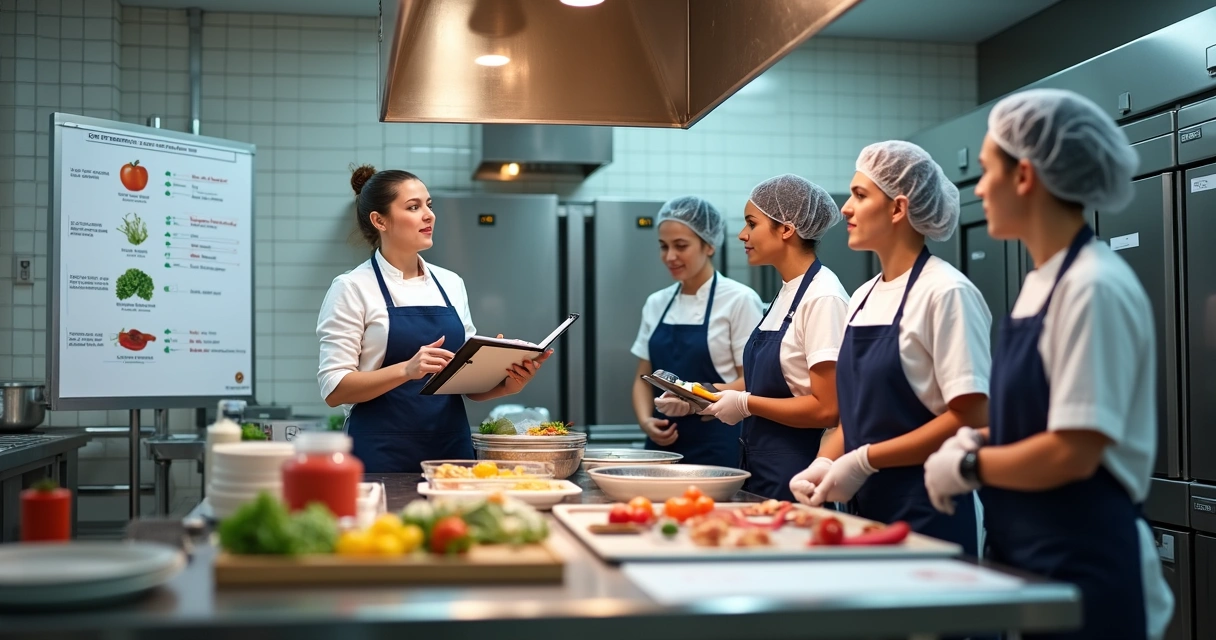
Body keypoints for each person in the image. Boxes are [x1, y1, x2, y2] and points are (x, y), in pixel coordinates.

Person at [923, 88, 1173, 639]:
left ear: (1025, 176)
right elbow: (1045, 419)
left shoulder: (1092, 286)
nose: (979, 187)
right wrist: (982, 440)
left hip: (1086, 562)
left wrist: (971, 467)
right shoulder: (1042, 282)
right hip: (1031, 551)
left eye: (987, 170)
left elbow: (1074, 449)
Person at [796, 141, 991, 557]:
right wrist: (825, 463)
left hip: (926, 507)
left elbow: (970, 415)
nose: (845, 209)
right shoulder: (864, 295)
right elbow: (858, 414)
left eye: (860, 195)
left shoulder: (946, 292)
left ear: (898, 209)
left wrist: (865, 460)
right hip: (863, 508)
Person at [316, 165, 549, 472]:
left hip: (451, 452)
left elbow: (464, 382)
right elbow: (334, 389)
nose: (428, 215)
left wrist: (505, 382)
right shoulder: (352, 287)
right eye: (414, 207)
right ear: (379, 220)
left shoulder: (450, 283)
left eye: (429, 205)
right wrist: (406, 370)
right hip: (381, 454)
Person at [687, 175, 848, 500]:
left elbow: (827, 408)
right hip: (758, 466)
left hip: (798, 472)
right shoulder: (787, 292)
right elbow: (764, 383)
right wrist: (698, 395)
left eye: (751, 223)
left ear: (786, 229)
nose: (742, 234)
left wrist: (746, 405)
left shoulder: (823, 297)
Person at [631, 196, 764, 467]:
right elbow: (641, 378)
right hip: (661, 447)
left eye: (681, 246)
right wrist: (646, 421)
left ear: (709, 245)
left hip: (717, 442)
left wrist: (693, 398)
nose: (670, 256)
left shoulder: (739, 299)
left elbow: (751, 380)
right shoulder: (657, 302)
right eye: (663, 246)